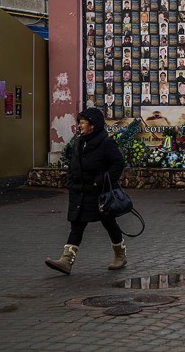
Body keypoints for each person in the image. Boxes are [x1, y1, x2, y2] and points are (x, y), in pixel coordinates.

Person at [45, 108, 127, 275]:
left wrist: (101, 181)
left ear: (93, 125)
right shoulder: (79, 141)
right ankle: (66, 261)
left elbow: (118, 164)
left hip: (99, 193)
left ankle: (120, 255)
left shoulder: (105, 143)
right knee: (77, 225)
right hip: (80, 191)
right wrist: (71, 182)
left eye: (82, 122)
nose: (79, 126)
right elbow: (74, 163)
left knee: (109, 222)